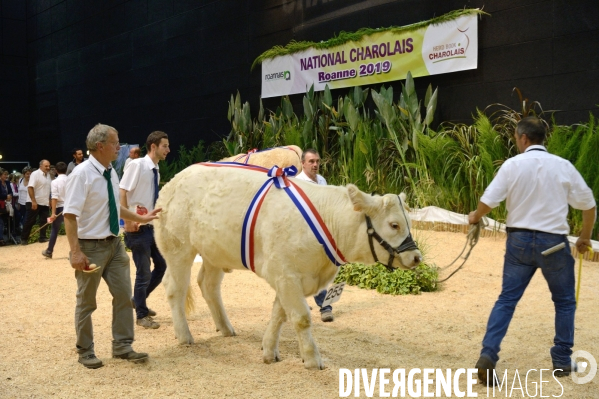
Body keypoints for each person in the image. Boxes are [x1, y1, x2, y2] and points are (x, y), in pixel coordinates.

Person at [468, 116, 596, 385]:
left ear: (523, 138)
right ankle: (562, 360)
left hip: (519, 242)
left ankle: (488, 354)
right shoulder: (563, 166)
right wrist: (584, 238)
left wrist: (475, 217)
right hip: (554, 245)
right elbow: (588, 206)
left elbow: (488, 202)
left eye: (516, 138)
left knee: (506, 300)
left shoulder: (512, 165)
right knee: (564, 303)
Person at [64, 123, 160, 369]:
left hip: (115, 245)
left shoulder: (111, 172)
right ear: (100, 146)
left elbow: (117, 208)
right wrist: (76, 251)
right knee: (87, 302)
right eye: (115, 142)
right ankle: (85, 350)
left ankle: (123, 346)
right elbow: (70, 215)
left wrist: (143, 218)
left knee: (122, 296)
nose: (119, 146)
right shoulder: (81, 174)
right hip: (90, 247)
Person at [120, 132, 170, 329]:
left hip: (149, 225)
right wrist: (126, 220)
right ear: (153, 146)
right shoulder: (137, 165)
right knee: (143, 272)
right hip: (136, 226)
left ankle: (138, 300)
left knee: (162, 266)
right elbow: (122, 191)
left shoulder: (154, 168)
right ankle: (141, 315)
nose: (168, 150)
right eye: (165, 146)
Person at [294, 148, 334, 322]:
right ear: (302, 163)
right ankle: (325, 306)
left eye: (317, 161)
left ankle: (301, 301)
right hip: (302, 234)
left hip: (320, 233)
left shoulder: (322, 181)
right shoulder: (296, 183)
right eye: (311, 161)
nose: (315, 164)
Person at [21, 160, 52, 245]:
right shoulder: (35, 174)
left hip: (44, 202)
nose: (48, 168)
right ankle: (24, 239)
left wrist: (49, 200)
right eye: (46, 166)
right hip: (34, 202)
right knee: (30, 221)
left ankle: (42, 237)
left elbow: (48, 189)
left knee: (45, 221)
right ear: (40, 166)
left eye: (49, 166)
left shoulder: (48, 175)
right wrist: (33, 201)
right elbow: (30, 187)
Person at [42, 162, 68, 259]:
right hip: (70, 207)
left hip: (60, 207)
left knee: (54, 230)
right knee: (73, 230)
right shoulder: (71, 180)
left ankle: (49, 251)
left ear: (56, 171)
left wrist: (53, 213)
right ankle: (75, 252)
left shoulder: (55, 182)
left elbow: (54, 198)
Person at [0, 169, 13, 246]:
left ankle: (7, 237)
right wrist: (6, 196)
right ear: (0, 175)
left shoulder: (8, 183)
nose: (6, 176)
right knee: (0, 222)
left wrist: (9, 196)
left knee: (5, 221)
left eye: (7, 174)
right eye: (4, 174)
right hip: (0, 205)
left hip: (6, 205)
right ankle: (1, 239)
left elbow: (11, 192)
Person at [17, 167, 32, 233]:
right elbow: (19, 192)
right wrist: (18, 203)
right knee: (22, 217)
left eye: (30, 174)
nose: (29, 175)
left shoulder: (32, 181)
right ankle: (24, 231)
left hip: (29, 202)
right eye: (27, 174)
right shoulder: (20, 180)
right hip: (21, 202)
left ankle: (24, 231)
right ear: (24, 174)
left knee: (26, 218)